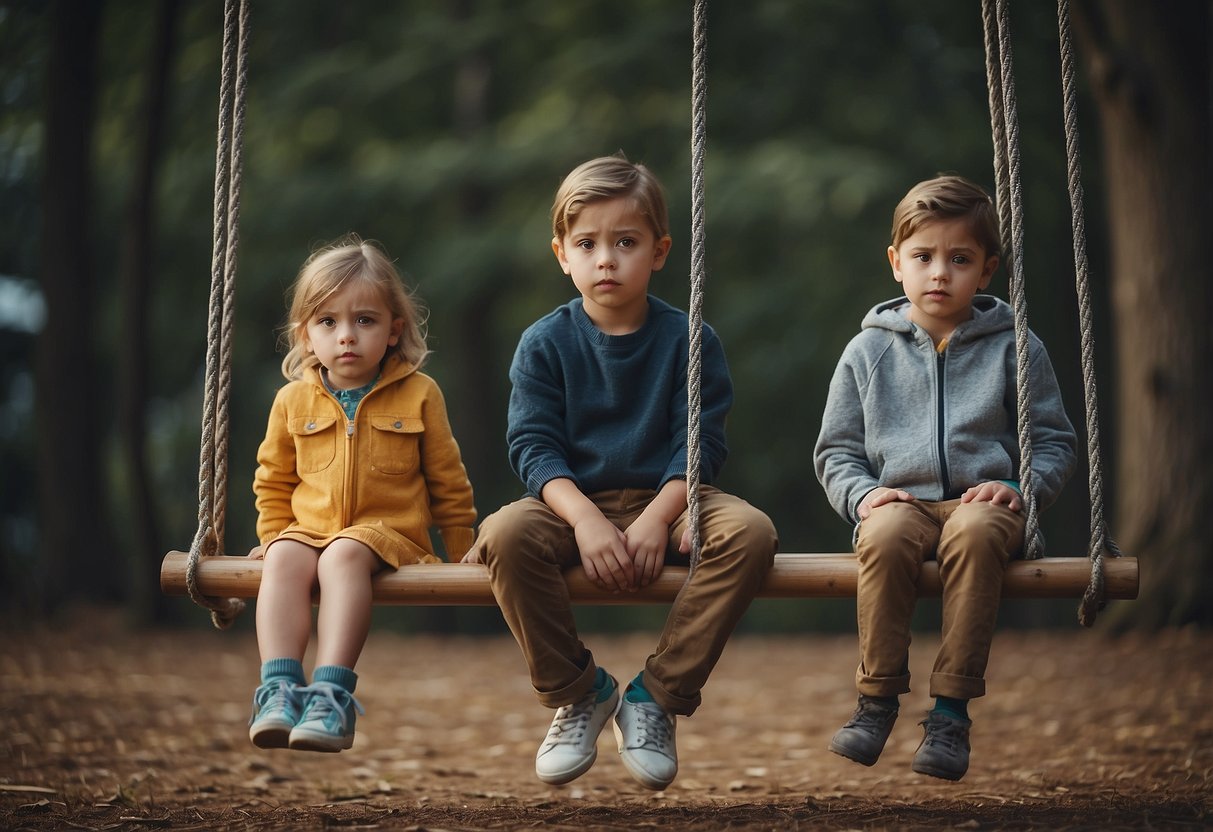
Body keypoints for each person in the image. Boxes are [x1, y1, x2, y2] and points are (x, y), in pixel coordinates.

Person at [467, 155, 778, 791]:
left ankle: (657, 695)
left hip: (674, 493)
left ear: (660, 251)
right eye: (587, 244)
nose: (606, 259)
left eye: (626, 242)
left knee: (751, 533)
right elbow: (532, 446)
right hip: (568, 501)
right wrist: (583, 519)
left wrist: (662, 516)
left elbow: (699, 444)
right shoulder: (544, 343)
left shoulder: (689, 339)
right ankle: (578, 692)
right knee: (502, 535)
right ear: (562, 254)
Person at [814, 174, 1077, 781]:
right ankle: (877, 699)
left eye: (959, 259)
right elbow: (836, 452)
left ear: (986, 272)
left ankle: (952, 710)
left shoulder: (1016, 347)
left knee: (980, 532)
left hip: (982, 503)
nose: (939, 273)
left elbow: (1055, 442)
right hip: (899, 504)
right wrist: (864, 495)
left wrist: (1019, 489)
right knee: (881, 536)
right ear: (895, 264)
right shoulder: (866, 352)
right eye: (923, 257)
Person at [247, 234, 476, 753]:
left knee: (344, 555)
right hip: (309, 531)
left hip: (386, 535)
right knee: (284, 556)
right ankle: (279, 689)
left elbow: (448, 480)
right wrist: (273, 535)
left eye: (364, 321)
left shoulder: (420, 394)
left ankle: (331, 693)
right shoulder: (292, 400)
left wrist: (463, 549)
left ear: (394, 331)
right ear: (306, 335)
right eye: (328, 322)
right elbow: (273, 480)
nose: (346, 336)